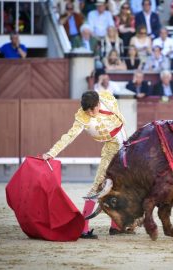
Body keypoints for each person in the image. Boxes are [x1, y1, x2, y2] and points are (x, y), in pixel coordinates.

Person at [42, 90, 129, 238]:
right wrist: (51, 153)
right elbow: (69, 136)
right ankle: (83, 228)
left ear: (98, 104)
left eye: (91, 109)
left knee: (123, 187)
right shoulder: (82, 118)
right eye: (86, 110)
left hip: (126, 146)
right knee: (97, 187)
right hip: (111, 149)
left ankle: (117, 226)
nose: (89, 113)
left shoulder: (107, 97)